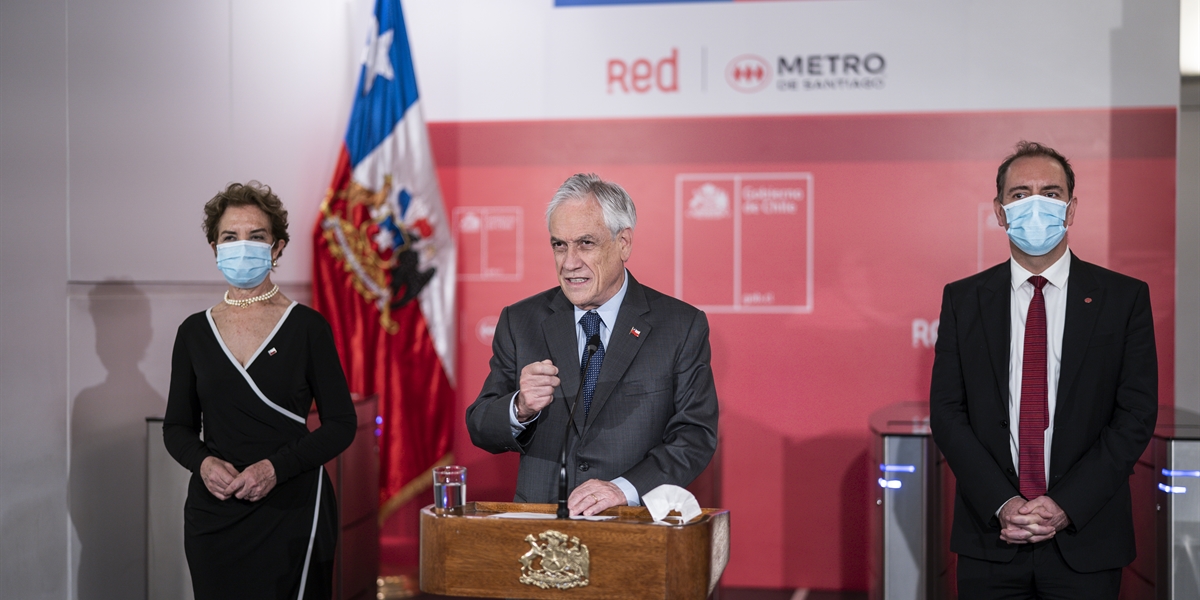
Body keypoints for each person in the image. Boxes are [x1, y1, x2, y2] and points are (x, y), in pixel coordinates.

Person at [929, 142, 1158, 599]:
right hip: (990, 536)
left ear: (1071, 210)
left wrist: (1066, 505)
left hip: (1086, 537)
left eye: (1051, 193)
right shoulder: (964, 299)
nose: (1036, 205)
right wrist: (1005, 503)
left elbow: (1134, 414)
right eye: (1020, 194)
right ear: (998, 211)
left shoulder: (1123, 298)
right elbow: (948, 413)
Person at [466, 173, 719, 516]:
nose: (570, 263)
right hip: (541, 531)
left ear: (624, 243)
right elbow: (480, 425)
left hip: (633, 525)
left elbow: (694, 436)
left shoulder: (679, 326)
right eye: (560, 245)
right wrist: (520, 407)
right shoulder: (520, 321)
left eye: (586, 243)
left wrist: (623, 488)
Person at [164, 181, 356, 599]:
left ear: (278, 247)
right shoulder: (194, 332)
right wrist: (203, 464)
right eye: (230, 237)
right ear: (214, 247)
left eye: (256, 236)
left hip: (294, 508)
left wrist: (275, 469)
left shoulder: (308, 327)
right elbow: (176, 427)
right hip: (214, 515)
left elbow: (341, 424)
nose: (241, 246)